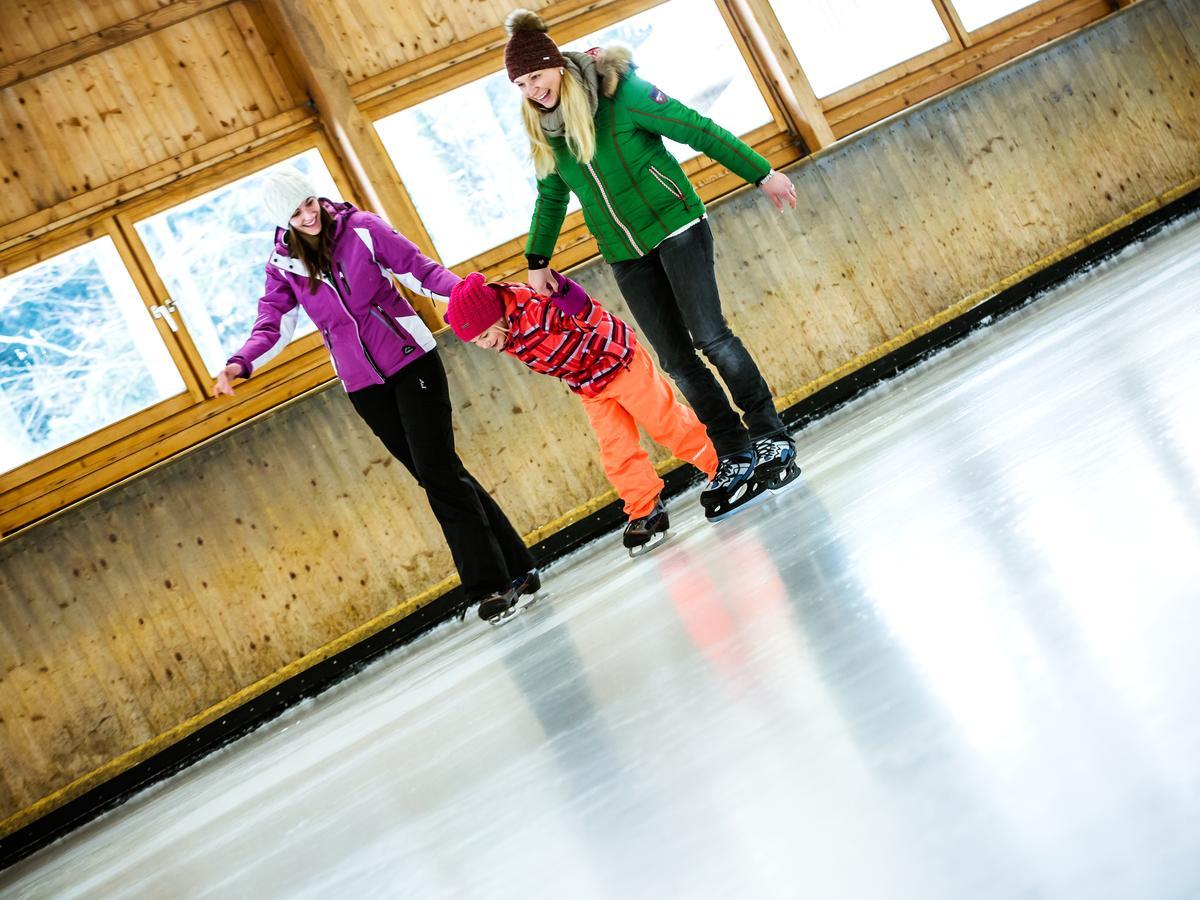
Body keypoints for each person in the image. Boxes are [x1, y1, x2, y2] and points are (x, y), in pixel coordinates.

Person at [503, 8, 802, 521]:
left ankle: (770, 435)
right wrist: (537, 260)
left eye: (536, 75)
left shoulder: (622, 94)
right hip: (625, 253)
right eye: (521, 83)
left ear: (556, 65)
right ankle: (733, 451)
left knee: (712, 338)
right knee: (676, 360)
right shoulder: (547, 131)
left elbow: (698, 130)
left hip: (677, 227)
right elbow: (551, 196)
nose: (532, 89)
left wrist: (762, 173)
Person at [212, 167, 538, 624]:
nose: (309, 215)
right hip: (363, 385)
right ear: (282, 221)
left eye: (310, 202)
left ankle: (490, 586)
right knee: (439, 476)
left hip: (411, 361)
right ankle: (518, 567)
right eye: (297, 211)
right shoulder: (283, 267)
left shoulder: (361, 229)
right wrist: (240, 361)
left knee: (438, 473)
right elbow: (274, 325)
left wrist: (463, 293)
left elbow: (417, 270)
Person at [445, 269, 719, 555]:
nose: (485, 344)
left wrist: (565, 292)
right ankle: (646, 509)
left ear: (495, 315)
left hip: (619, 361)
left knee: (666, 423)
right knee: (616, 451)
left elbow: (587, 314)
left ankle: (719, 464)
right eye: (476, 342)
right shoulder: (506, 331)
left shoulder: (536, 309)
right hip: (589, 386)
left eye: (485, 335)